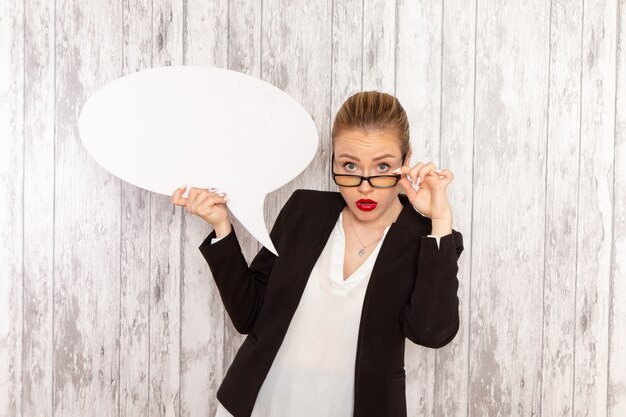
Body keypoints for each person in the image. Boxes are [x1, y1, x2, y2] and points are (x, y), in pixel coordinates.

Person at [171, 91, 464, 417]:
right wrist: (221, 226)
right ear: (334, 161)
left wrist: (439, 218)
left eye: (382, 166)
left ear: (406, 161)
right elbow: (248, 316)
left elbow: (432, 333)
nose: (364, 186)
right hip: (261, 405)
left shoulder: (425, 237)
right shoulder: (303, 211)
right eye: (349, 165)